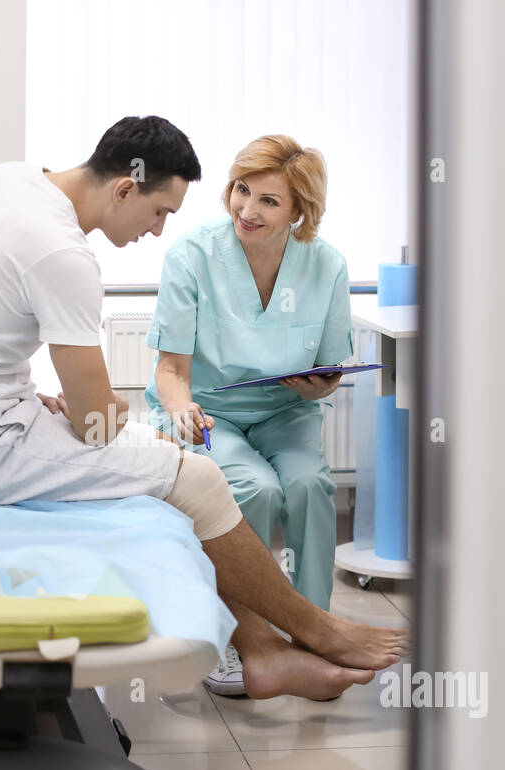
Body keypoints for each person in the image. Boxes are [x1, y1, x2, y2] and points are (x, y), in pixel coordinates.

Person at [0, 116, 407, 701]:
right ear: (125, 188)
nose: (158, 232)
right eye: (159, 213)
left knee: (229, 471)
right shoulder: (62, 254)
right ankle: (314, 632)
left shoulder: (9, 181)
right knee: (198, 478)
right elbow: (96, 424)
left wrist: (28, 397)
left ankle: (263, 650)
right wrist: (142, 438)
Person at [144, 135, 352, 695]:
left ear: (299, 211)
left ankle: (315, 634)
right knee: (255, 489)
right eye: (241, 190)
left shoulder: (326, 265)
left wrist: (318, 386)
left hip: (287, 410)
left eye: (268, 201)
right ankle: (239, 641)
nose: (247, 210)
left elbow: (327, 371)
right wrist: (182, 408)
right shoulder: (193, 255)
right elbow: (170, 371)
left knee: (309, 484)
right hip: (207, 412)